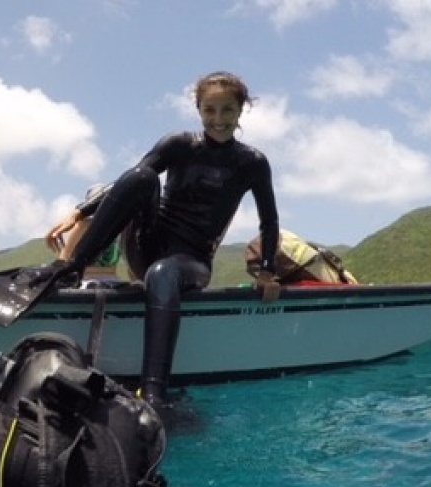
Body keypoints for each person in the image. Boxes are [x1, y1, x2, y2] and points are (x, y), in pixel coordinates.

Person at [29, 71, 282, 410]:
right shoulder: (178, 144)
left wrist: (267, 271)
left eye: (227, 111)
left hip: (189, 262)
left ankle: (153, 395)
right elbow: (127, 184)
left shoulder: (252, 162)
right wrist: (79, 213)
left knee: (163, 273)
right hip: (148, 245)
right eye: (210, 110)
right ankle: (69, 268)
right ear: (199, 110)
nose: (218, 120)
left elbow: (269, 220)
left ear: (240, 111)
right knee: (142, 176)